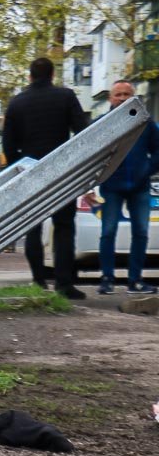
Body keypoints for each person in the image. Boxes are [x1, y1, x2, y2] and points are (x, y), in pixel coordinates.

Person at [1, 57, 90, 299]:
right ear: (52, 75)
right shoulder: (66, 97)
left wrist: (18, 165)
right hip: (61, 171)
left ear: (30, 76)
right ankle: (64, 284)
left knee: (33, 227)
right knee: (64, 227)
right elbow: (84, 133)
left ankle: (38, 281)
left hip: (31, 171)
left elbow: (8, 144)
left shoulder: (17, 104)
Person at [95, 80, 159, 295]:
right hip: (112, 186)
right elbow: (91, 155)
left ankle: (136, 280)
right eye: (118, 94)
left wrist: (146, 171)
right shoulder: (101, 124)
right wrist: (101, 175)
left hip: (139, 186)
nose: (122, 98)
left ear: (134, 97)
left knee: (141, 232)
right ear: (110, 98)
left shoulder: (145, 123)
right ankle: (107, 279)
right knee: (108, 231)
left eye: (126, 94)